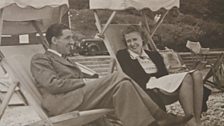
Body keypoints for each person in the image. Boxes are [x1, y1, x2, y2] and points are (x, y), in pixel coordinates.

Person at [30, 23, 192, 126]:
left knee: (123, 86)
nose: (72, 41)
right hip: (64, 102)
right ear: (54, 40)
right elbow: (53, 84)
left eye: (71, 37)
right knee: (118, 76)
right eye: (67, 38)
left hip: (79, 96)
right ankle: (160, 115)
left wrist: (93, 80)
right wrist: (86, 81)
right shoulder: (40, 59)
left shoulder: (66, 59)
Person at [116, 25, 203, 126]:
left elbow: (164, 74)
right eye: (128, 41)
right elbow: (132, 76)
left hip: (160, 82)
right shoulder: (123, 55)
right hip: (146, 85)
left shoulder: (153, 55)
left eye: (135, 39)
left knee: (197, 74)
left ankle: (196, 119)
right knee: (187, 77)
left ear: (142, 39)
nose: (132, 44)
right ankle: (191, 121)